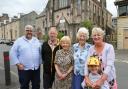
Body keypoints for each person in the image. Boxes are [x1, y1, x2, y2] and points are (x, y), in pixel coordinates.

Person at [10, 25, 41, 89]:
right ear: (24, 31)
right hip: (24, 69)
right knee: (24, 86)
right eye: (27, 30)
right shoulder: (19, 41)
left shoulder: (36, 40)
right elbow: (12, 53)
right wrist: (18, 64)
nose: (29, 32)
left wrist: (40, 62)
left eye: (31, 31)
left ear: (33, 32)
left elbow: (40, 52)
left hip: (36, 69)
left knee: (36, 85)